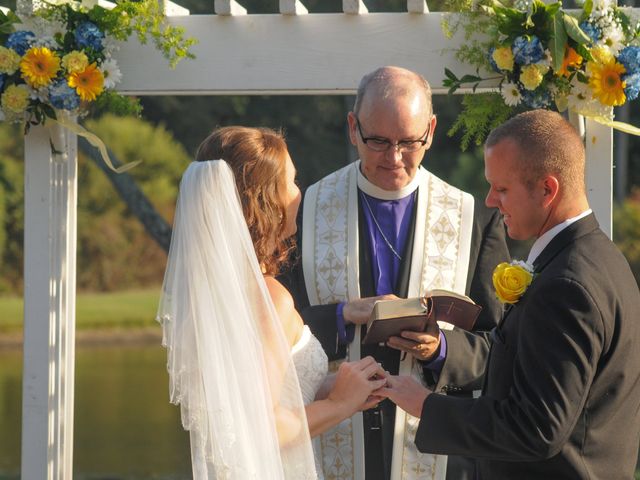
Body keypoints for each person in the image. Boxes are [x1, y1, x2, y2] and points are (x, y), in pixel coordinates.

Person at [378, 109, 640, 479]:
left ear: (548, 189)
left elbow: (538, 427)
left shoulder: (566, 286)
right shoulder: (601, 257)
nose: (489, 201)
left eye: (502, 189)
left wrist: (427, 406)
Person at [280, 66, 510, 480]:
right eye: (378, 141)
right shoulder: (306, 210)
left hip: (439, 452)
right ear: (353, 128)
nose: (394, 157)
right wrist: (341, 315)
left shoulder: (473, 218)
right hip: (325, 440)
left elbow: (502, 347)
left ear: (432, 130)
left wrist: (440, 348)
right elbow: (271, 332)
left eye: (409, 142)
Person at [157, 126, 387, 479]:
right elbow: (263, 427)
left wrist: (341, 386)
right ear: (266, 201)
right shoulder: (269, 300)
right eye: (292, 183)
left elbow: (256, 395)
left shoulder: (218, 297)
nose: (299, 194)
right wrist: (340, 404)